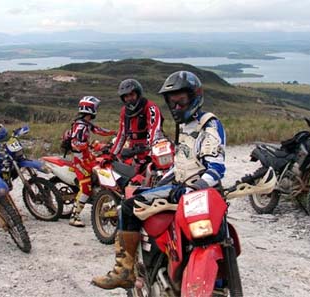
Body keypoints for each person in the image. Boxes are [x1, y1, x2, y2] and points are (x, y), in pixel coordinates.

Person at [92, 71, 226, 290]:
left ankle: (125, 271)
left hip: (199, 193)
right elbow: (181, 163)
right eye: (172, 102)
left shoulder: (208, 125)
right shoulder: (184, 126)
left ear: (195, 97)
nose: (176, 107)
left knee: (129, 208)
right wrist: (162, 183)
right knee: (132, 199)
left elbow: (216, 168)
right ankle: (127, 268)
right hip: (180, 187)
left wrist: (195, 186)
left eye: (181, 101)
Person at [68, 96, 116, 227]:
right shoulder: (80, 126)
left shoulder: (86, 123)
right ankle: (74, 216)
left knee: (104, 167)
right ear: (91, 109)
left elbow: (99, 130)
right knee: (86, 188)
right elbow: (75, 143)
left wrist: (116, 133)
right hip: (79, 160)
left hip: (87, 157)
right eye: (96, 107)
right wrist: (90, 146)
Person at [109, 78, 164, 165]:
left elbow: (154, 130)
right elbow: (122, 134)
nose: (129, 98)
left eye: (131, 94)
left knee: (152, 173)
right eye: (126, 96)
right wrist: (112, 155)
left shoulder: (150, 107)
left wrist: (149, 152)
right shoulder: (124, 111)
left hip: (151, 148)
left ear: (138, 94)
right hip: (133, 150)